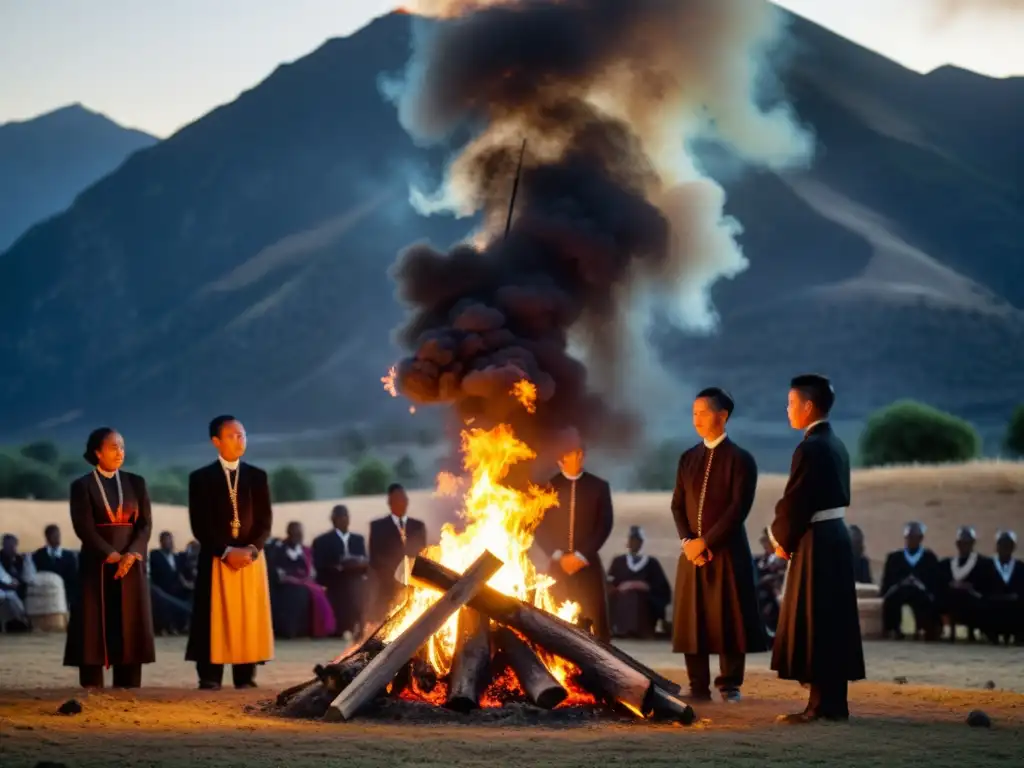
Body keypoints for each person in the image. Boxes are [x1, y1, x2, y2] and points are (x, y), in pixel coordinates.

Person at [768, 374, 865, 723]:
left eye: (792, 403)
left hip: (817, 539)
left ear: (809, 406)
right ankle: (834, 703)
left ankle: (819, 705)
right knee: (832, 619)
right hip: (835, 536)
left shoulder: (810, 447)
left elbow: (796, 501)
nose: (788, 409)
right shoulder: (835, 443)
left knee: (818, 619)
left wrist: (781, 540)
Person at [670, 388, 766, 702]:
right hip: (692, 554)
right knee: (693, 618)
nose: (696, 419)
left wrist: (706, 542)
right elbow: (677, 506)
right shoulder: (688, 458)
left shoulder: (741, 460)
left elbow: (738, 509)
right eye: (693, 412)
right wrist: (688, 542)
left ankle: (730, 685)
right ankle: (698, 685)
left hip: (727, 551)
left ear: (722, 416)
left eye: (703, 412)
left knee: (729, 618)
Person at [185, 415, 274, 690]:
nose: (240, 440)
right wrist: (225, 551)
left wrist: (250, 548)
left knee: (247, 616)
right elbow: (200, 525)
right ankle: (210, 676)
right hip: (217, 558)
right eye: (233, 435)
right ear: (216, 441)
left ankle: (245, 676)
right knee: (214, 617)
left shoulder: (257, 477)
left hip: (250, 559)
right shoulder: (201, 478)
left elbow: (264, 521)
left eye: (243, 435)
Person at [63, 428, 155, 688]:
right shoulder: (82, 486)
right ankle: (92, 687)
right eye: (114, 447)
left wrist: (132, 554)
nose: (120, 452)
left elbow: (145, 526)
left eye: (122, 447)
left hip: (131, 562)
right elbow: (84, 527)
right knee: (94, 627)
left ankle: (128, 685)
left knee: (129, 622)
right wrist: (111, 554)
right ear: (97, 452)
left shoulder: (136, 482)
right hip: (98, 563)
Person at [533, 430, 613, 642]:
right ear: (561, 459)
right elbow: (539, 526)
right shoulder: (548, 488)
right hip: (557, 565)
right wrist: (558, 554)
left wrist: (581, 555)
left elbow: (604, 525)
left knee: (594, 619)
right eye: (571, 454)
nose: (577, 458)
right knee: (554, 619)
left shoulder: (599, 487)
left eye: (580, 453)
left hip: (587, 564)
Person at [368, 483, 427, 622]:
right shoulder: (378, 527)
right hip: (388, 583)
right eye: (397, 499)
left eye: (403, 498)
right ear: (390, 502)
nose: (401, 502)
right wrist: (394, 574)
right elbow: (375, 557)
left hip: (414, 581)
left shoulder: (418, 526)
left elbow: (423, 553)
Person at [270, 521, 337, 638]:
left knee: (318, 592)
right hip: (285, 585)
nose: (297, 536)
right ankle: (290, 630)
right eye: (294, 533)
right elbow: (278, 572)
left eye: (299, 534)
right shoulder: (279, 551)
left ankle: (320, 630)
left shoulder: (306, 551)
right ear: (288, 533)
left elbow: (311, 572)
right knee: (297, 593)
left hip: (305, 583)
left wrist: (304, 579)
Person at [312, 504, 369, 637]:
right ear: (333, 519)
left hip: (355, 576)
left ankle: (360, 625)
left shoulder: (357, 539)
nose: (343, 519)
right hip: (334, 578)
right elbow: (320, 565)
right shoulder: (322, 541)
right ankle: (344, 627)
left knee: (362, 585)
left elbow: (363, 559)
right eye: (340, 517)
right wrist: (340, 566)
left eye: (345, 516)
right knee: (348, 587)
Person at [879, 522, 942, 640]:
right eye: (908, 537)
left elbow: (934, 581)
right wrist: (902, 582)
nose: (910, 540)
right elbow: (887, 580)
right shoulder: (895, 557)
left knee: (925, 600)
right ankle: (893, 629)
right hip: (900, 590)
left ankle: (924, 629)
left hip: (920, 591)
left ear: (921, 538)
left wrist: (918, 583)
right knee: (892, 598)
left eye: (914, 537)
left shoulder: (929, 558)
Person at [606, 526, 671, 639]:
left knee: (637, 596)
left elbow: (663, 589)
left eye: (637, 541)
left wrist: (644, 586)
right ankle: (621, 629)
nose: (634, 543)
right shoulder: (618, 561)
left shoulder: (652, 563)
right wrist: (620, 587)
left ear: (642, 543)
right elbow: (609, 584)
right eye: (632, 540)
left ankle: (642, 630)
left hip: (644, 602)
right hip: (622, 599)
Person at [938, 526, 991, 642]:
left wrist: (971, 587)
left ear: (973, 543)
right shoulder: (947, 564)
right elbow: (942, 582)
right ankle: (950, 632)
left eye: (968, 543)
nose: (964, 546)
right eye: (962, 543)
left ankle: (973, 632)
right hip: (953, 600)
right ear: (957, 544)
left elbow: (986, 585)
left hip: (974, 600)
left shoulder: (983, 564)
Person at [148, 531, 192, 635]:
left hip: (178, 587)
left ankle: (182, 626)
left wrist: (186, 583)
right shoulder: (155, 555)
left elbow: (183, 572)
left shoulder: (178, 557)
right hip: (162, 587)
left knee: (189, 594)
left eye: (170, 540)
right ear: (161, 542)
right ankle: (166, 627)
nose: (169, 542)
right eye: (166, 540)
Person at [984, 530, 1022, 645]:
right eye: (1002, 545)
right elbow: (983, 586)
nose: (1005, 548)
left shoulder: (1020, 567)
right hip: (993, 603)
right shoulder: (987, 565)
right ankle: (992, 634)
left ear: (1013, 547)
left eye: (1008, 545)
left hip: (1014, 605)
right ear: (997, 546)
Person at [32, 524, 81, 608]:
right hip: (45, 596)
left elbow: (73, 579)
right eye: (54, 536)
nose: (57, 538)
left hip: (64, 597)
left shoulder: (69, 556)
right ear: (47, 537)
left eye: (58, 535)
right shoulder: (38, 555)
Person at [753, 528, 786, 640]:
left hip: (778, 590)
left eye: (766, 540)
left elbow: (780, 570)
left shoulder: (780, 556)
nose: (764, 543)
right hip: (765, 591)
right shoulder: (763, 559)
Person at [0, 534, 36, 603]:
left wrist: (28, 560)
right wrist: (10, 582)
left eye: (11, 545)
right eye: (7, 545)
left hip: (20, 594)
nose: (9, 548)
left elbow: (29, 578)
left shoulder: (21, 559)